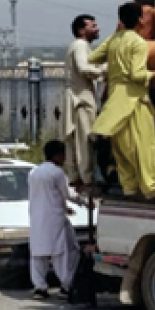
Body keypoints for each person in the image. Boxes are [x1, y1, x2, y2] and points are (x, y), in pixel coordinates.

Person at [89, 3, 155, 200]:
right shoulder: (138, 43)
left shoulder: (115, 41)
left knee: (123, 146)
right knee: (145, 144)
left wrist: (114, 35)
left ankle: (129, 186)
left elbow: (93, 57)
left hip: (115, 100)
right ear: (140, 20)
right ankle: (150, 186)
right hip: (134, 99)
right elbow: (137, 75)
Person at [28, 140, 84, 299]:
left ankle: (39, 287)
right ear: (58, 155)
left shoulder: (33, 172)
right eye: (64, 154)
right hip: (54, 219)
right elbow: (68, 194)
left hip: (37, 217)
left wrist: (64, 207)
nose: (65, 157)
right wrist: (85, 201)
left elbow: (45, 196)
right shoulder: (57, 173)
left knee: (38, 253)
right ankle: (67, 285)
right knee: (61, 253)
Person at [63, 14, 106, 193]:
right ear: (82, 30)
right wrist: (105, 69)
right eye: (93, 25)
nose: (97, 29)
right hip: (81, 99)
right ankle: (86, 177)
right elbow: (83, 68)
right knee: (85, 140)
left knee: (79, 140)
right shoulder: (81, 45)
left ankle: (79, 176)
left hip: (80, 96)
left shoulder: (79, 46)